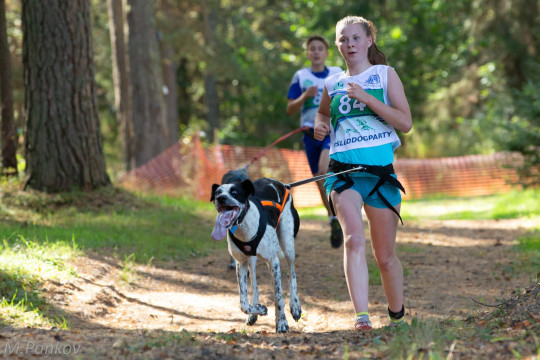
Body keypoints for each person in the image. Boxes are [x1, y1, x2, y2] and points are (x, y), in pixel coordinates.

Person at [313, 16, 412, 330]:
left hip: (381, 175)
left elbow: (405, 123)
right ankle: (362, 318)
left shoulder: (385, 75)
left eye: (355, 38)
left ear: (369, 40)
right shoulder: (332, 83)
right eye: (343, 40)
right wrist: (319, 124)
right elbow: (323, 113)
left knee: (385, 257)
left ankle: (396, 316)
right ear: (338, 45)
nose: (349, 45)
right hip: (343, 174)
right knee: (353, 239)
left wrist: (368, 99)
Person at [287, 34, 344, 249]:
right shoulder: (300, 76)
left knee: (323, 171)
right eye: (312, 48)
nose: (316, 52)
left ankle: (341, 212)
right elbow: (290, 108)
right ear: (307, 53)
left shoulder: (338, 73)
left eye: (320, 48)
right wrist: (304, 97)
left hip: (331, 131)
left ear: (327, 52)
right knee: (319, 180)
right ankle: (333, 219)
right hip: (309, 134)